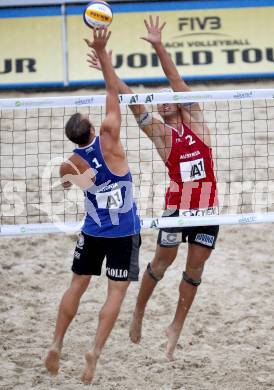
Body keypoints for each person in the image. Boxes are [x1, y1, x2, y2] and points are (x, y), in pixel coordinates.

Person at [87, 15, 219, 360]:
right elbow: (129, 98)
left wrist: (159, 45)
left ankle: (175, 327)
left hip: (206, 205)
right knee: (161, 263)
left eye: (168, 97)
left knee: (195, 270)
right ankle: (139, 311)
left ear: (177, 101)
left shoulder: (196, 120)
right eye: (159, 99)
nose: (163, 100)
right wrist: (106, 64)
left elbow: (175, 78)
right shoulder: (161, 135)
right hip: (178, 206)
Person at [44, 27, 141, 385]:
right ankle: (94, 353)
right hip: (124, 231)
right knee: (115, 294)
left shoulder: (68, 163)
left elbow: (69, 183)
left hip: (93, 229)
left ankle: (56, 342)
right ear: (91, 127)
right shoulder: (111, 138)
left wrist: (81, 179)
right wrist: (103, 56)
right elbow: (113, 94)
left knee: (76, 285)